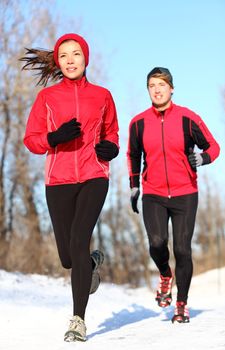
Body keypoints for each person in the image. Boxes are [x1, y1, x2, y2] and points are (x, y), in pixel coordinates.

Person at [21, 33, 119, 341]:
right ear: (58, 61)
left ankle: (78, 319)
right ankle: (88, 265)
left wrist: (111, 149)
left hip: (94, 176)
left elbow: (112, 132)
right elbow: (31, 139)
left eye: (76, 54)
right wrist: (53, 138)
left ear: (85, 58)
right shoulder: (47, 99)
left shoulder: (103, 95)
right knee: (68, 257)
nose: (70, 60)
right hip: (58, 180)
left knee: (79, 239)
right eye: (64, 56)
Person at [127, 67, 220, 323]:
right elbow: (133, 155)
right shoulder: (138, 123)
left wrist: (202, 158)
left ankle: (181, 304)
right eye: (151, 85)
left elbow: (214, 146)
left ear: (171, 88)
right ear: (148, 90)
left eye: (161, 84)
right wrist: (134, 185)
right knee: (157, 243)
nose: (156, 89)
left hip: (185, 193)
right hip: (154, 193)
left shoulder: (188, 118)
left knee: (182, 249)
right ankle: (165, 274)